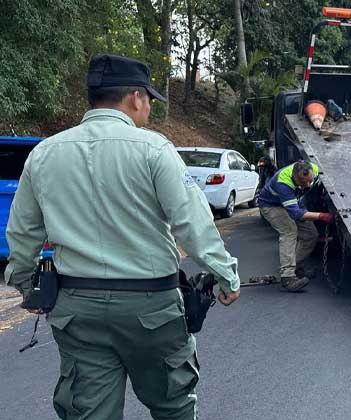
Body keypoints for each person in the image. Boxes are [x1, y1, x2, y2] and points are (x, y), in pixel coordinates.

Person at [4, 54, 241, 420]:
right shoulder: (154, 150)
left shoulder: (44, 154)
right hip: (151, 308)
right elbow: (192, 223)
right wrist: (227, 275)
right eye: (149, 100)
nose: (148, 108)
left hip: (76, 309)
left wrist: (25, 284)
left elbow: (22, 233)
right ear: (135, 97)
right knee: (173, 406)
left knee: (90, 412)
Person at [256, 160, 333, 292]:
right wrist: (322, 216)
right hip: (272, 206)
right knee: (289, 231)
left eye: (310, 181)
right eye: (303, 183)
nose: (308, 185)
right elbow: (297, 214)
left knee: (310, 235)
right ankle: (288, 278)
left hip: (293, 202)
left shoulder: (313, 169)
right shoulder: (283, 183)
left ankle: (296, 267)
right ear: (294, 176)